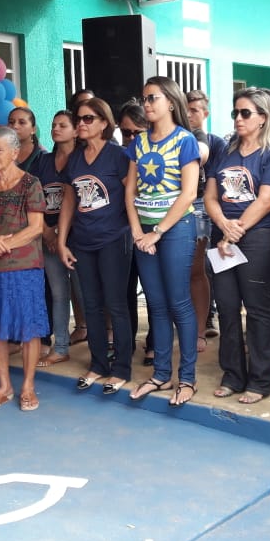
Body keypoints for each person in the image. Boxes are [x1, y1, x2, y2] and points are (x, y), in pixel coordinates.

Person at [205, 87, 270, 403]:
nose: (238, 118)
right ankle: (233, 375)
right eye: (235, 113)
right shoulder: (225, 151)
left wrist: (233, 231)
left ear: (263, 118)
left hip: (258, 236)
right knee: (226, 306)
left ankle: (260, 381)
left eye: (245, 113)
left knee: (257, 307)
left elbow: (267, 200)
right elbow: (211, 196)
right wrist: (223, 226)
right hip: (224, 234)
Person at [126, 76, 201, 406]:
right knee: (155, 304)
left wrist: (157, 231)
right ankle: (160, 374)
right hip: (145, 233)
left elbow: (189, 193)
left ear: (171, 102)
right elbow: (130, 191)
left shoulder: (185, 141)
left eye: (152, 98)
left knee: (179, 303)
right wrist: (137, 232)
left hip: (176, 230)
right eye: (144, 98)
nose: (146, 104)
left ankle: (187, 378)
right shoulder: (139, 142)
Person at [0, 126, 48, 412]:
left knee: (29, 328)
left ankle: (28, 386)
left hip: (25, 267)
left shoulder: (30, 184)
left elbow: (36, 228)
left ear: (14, 153)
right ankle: (4, 387)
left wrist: (2, 246)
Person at [58, 97, 133, 394]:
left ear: (104, 123)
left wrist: (137, 231)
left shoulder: (119, 156)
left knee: (115, 304)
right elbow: (68, 200)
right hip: (83, 241)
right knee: (90, 305)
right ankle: (98, 363)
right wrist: (62, 241)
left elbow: (131, 197)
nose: (81, 124)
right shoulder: (75, 159)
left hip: (114, 238)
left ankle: (122, 367)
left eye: (88, 118)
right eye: (79, 119)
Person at [37, 110, 77, 368]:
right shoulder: (43, 161)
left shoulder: (83, 159)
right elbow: (33, 200)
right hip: (48, 235)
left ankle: (101, 345)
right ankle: (60, 346)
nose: (56, 129)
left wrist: (61, 235)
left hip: (79, 236)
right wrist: (47, 232)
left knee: (87, 294)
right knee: (58, 292)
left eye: (63, 125)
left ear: (75, 131)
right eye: (53, 125)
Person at [185, 89, 222, 352]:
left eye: (195, 110)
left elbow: (215, 177)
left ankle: (206, 319)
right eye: (185, 109)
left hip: (203, 205)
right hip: (176, 206)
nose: (189, 115)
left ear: (205, 113)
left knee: (202, 268)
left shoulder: (214, 143)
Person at [118, 99, 154, 365]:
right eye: (125, 132)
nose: (130, 138)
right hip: (122, 230)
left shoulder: (155, 155)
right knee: (125, 289)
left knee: (153, 291)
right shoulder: (119, 155)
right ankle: (126, 343)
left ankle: (154, 343)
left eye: (136, 132)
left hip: (151, 229)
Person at [8, 104, 45, 175]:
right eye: (11, 122)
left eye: (21, 122)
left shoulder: (43, 157)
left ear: (33, 129)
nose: (15, 126)